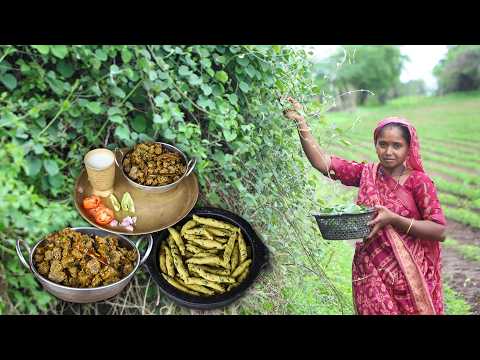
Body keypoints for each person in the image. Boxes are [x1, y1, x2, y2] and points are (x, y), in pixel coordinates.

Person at [283, 97, 447, 315]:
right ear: (376, 145)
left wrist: (394, 219)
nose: (389, 151)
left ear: (409, 149)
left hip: (410, 273)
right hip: (371, 268)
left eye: (397, 145)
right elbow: (323, 162)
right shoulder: (366, 173)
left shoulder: (419, 182)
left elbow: (439, 230)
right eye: (383, 144)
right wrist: (301, 123)